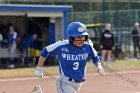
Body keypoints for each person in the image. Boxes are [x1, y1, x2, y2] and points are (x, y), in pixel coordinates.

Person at [34, 22, 105, 93]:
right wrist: (38, 68)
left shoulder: (88, 45)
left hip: (79, 83)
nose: (81, 39)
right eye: (78, 37)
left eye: (83, 36)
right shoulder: (62, 45)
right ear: (71, 38)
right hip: (65, 82)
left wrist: (99, 66)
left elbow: (95, 57)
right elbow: (45, 50)